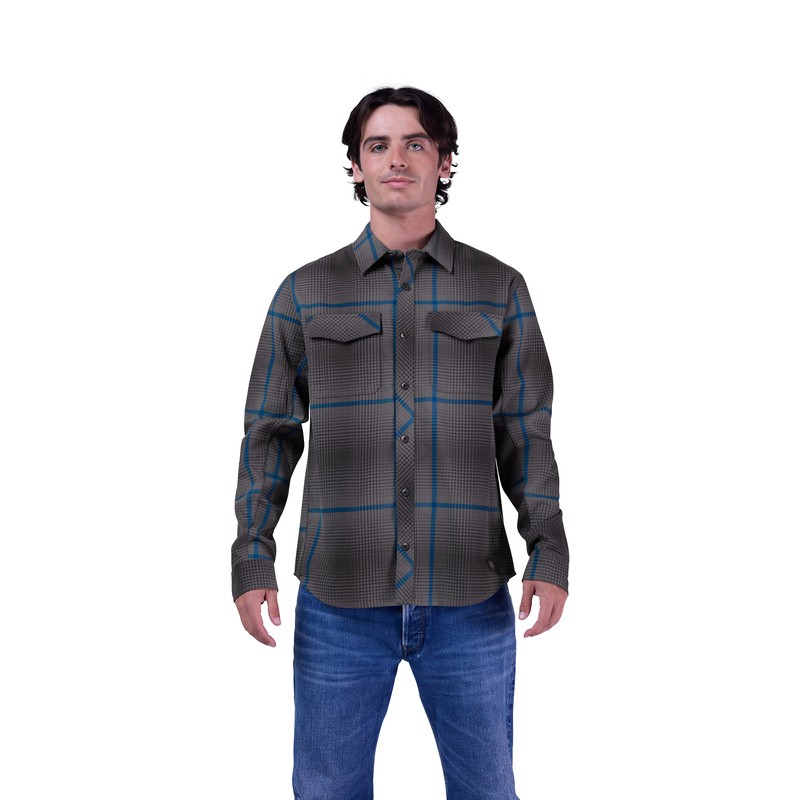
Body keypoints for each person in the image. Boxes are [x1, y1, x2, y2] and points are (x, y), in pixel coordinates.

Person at [231, 86, 569, 800]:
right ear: (356, 166)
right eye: (378, 145)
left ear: (444, 162)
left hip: (469, 593)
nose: (397, 159)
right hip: (339, 597)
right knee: (326, 792)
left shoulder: (499, 288)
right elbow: (269, 433)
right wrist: (252, 554)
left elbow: (525, 428)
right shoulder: (305, 292)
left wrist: (549, 548)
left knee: (487, 790)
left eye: (416, 143)